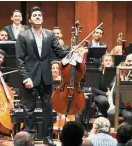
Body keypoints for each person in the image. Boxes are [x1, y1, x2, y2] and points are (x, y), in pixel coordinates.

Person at [15, 6, 80, 146]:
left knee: (48, 110)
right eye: (35, 15)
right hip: (30, 78)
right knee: (28, 111)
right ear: (30, 19)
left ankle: (47, 137)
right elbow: (19, 59)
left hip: (46, 78)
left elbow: (59, 52)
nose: (38, 17)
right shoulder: (23, 36)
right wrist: (26, 77)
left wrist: (71, 52)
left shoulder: (50, 34)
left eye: (39, 15)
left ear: (42, 18)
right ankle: (29, 138)